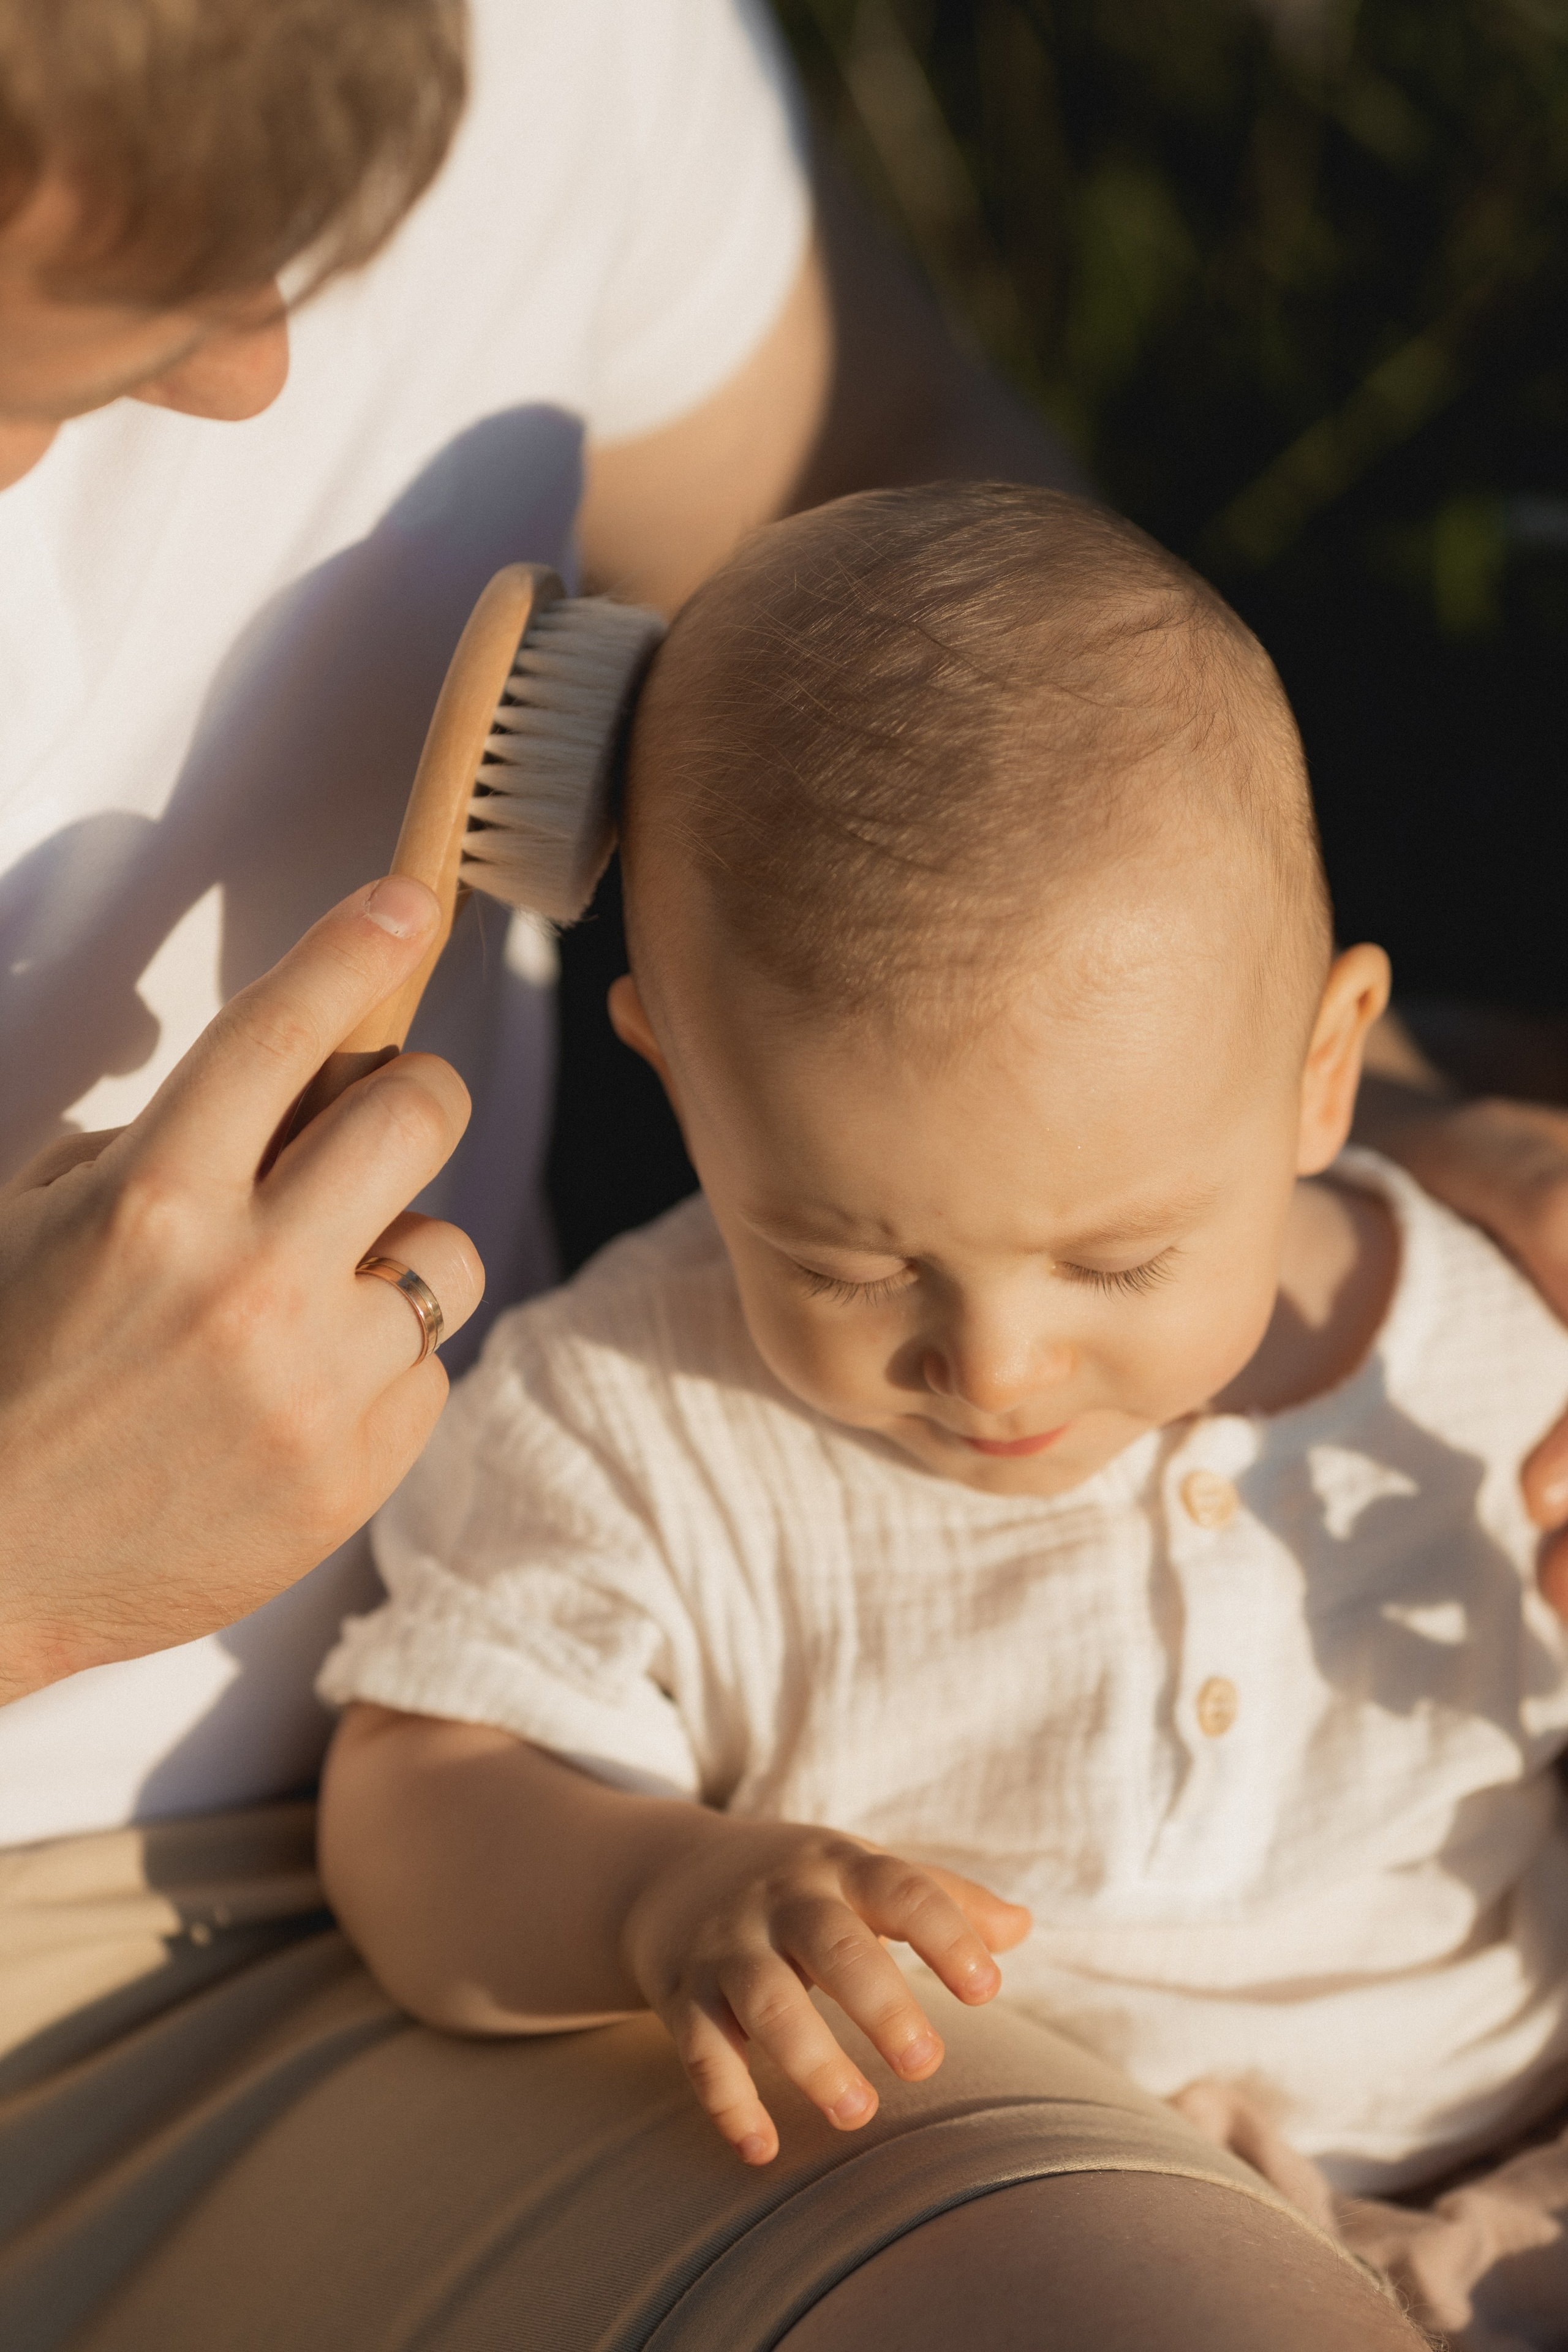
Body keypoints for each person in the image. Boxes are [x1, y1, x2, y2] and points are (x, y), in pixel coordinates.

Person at [309, 481, 1568, 2346]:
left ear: (1325, 1076)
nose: (991, 1368)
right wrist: (658, 1896)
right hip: (1061, 2240)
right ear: (684, 1080)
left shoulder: (1487, 1342)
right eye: (844, 1258)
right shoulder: (630, 1418)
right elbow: (416, 1813)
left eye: (1120, 1262)